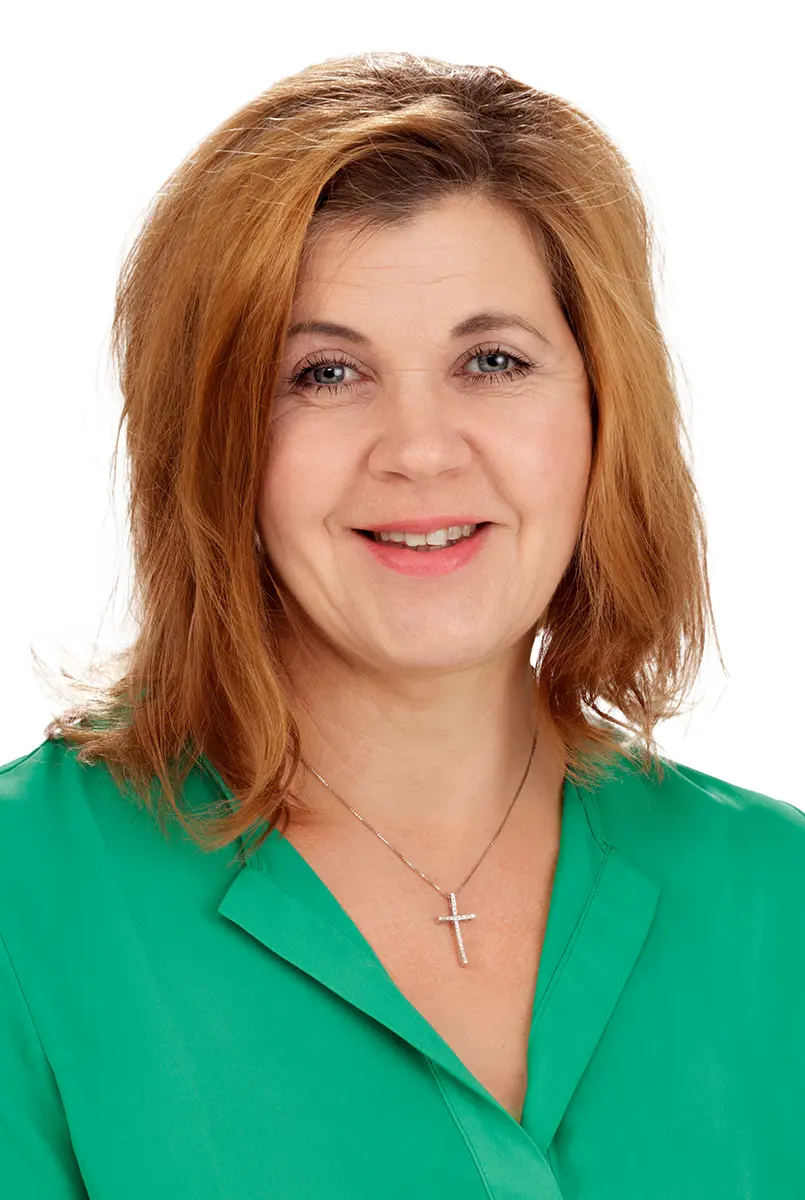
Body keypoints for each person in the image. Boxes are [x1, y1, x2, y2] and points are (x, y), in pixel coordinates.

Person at [1, 50, 803, 1200]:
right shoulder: (25, 907)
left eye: (492, 360)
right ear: (213, 437)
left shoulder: (779, 898)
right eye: (325, 373)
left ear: (601, 413)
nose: (420, 450)